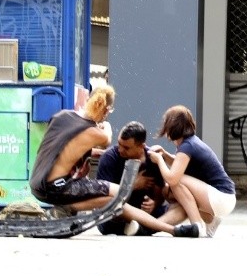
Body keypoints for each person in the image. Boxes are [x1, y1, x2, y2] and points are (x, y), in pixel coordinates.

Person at [30, 85, 199, 237]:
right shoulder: (95, 131)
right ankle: (69, 207)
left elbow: (63, 149)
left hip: (37, 183)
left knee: (112, 202)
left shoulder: (61, 116)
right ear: (106, 110)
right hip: (57, 187)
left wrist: (89, 155)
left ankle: (172, 230)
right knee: (120, 192)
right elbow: (106, 139)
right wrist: (105, 126)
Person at [149, 104, 237, 238]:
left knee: (175, 182)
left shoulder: (187, 146)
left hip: (221, 197)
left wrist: (159, 160)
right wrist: (165, 155)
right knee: (173, 188)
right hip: (223, 198)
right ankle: (210, 221)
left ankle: (197, 225)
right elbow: (180, 164)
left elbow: (173, 178)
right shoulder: (189, 144)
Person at [96, 121, 168, 236]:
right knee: (111, 216)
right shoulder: (109, 158)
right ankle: (147, 227)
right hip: (115, 216)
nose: (120, 149)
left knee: (176, 207)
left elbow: (160, 193)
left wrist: (154, 203)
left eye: (126, 147)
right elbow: (102, 197)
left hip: (145, 213)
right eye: (119, 144)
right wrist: (132, 185)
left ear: (141, 146)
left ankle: (143, 227)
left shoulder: (153, 159)